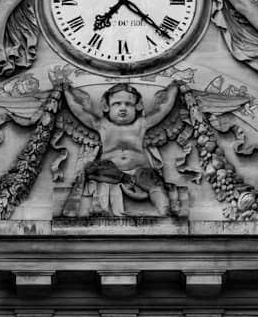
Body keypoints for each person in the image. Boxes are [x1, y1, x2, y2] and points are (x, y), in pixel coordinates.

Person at [63, 82, 179, 217]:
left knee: (154, 180)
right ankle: (122, 177)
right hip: (110, 169)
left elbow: (163, 109)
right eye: (117, 104)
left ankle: (165, 212)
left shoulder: (141, 124)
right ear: (107, 107)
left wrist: (175, 88)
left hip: (138, 170)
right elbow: (78, 111)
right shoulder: (102, 125)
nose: (123, 108)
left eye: (128, 104)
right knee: (95, 167)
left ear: (137, 106)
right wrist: (66, 91)